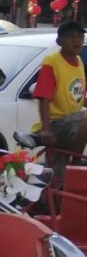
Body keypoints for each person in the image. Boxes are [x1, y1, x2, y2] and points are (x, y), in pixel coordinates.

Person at [33, 21, 86, 176]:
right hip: (57, 124)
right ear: (59, 42)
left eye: (80, 36)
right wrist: (46, 130)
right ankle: (76, 165)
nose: (76, 40)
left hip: (72, 123)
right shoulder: (52, 61)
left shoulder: (79, 61)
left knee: (57, 176)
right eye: (71, 36)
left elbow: (78, 96)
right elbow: (43, 97)